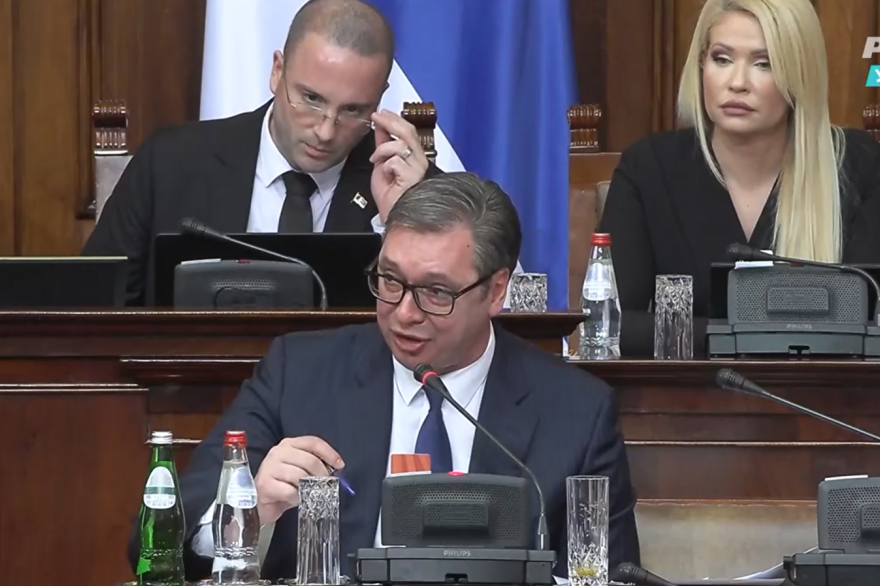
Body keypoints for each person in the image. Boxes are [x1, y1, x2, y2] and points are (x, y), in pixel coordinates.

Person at [125, 172, 641, 581]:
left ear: (496, 290)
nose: (404, 313)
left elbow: (612, 574)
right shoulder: (299, 373)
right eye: (390, 281)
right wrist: (250, 510)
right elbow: (156, 547)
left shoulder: (576, 412)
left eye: (435, 292)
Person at [83, 0, 437, 305]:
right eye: (311, 99)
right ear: (277, 71)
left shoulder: (414, 188)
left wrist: (403, 218)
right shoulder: (171, 163)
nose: (326, 131)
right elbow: (94, 306)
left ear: (380, 98)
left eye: (353, 110)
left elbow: (438, 321)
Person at [598, 0, 880, 357]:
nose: (737, 83)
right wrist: (745, 337)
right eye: (722, 59)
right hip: (686, 390)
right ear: (701, 64)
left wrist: (709, 334)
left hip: (817, 389)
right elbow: (611, 323)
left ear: (799, 76)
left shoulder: (855, 166)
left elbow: (868, 322)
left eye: (764, 64)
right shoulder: (650, 168)